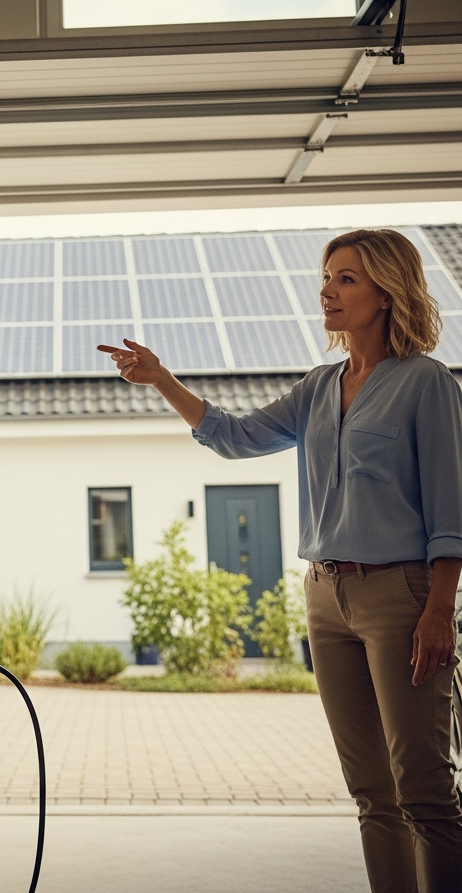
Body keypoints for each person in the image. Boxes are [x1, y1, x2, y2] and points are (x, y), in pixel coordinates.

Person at [100, 228, 462, 893]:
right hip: (325, 598)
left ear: (386, 291)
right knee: (370, 792)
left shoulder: (426, 384)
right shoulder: (319, 386)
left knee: (425, 790)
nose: (327, 290)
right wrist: (162, 380)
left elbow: (451, 513)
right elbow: (236, 439)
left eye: (345, 278)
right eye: (327, 276)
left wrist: (441, 609)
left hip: (401, 597)